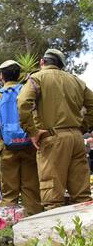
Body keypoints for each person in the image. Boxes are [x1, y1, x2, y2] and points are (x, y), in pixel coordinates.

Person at [18, 49, 93, 210]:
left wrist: (33, 132)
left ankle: (56, 235)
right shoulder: (77, 81)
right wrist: (82, 127)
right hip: (77, 139)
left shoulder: (37, 78)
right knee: (82, 197)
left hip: (52, 139)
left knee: (52, 198)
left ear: (42, 61)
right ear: (61, 65)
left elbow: (23, 103)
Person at [0, 60, 42, 216]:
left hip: (7, 146)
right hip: (29, 144)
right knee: (31, 188)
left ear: (1, 76)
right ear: (19, 75)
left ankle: (10, 225)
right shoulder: (26, 91)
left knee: (9, 192)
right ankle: (34, 221)